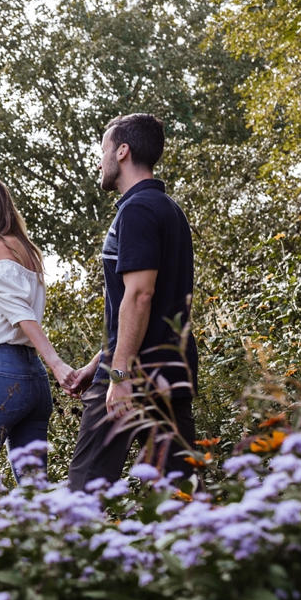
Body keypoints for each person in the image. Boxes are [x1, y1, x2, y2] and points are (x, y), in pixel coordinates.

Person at [62, 113, 198, 490]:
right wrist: (98, 362)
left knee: (82, 494)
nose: (100, 159)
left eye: (104, 149)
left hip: (133, 375)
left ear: (122, 151)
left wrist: (118, 375)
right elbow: (148, 301)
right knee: (179, 497)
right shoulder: (169, 209)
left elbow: (140, 296)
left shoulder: (136, 211)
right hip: (170, 372)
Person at [0, 175, 76, 479]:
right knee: (34, 489)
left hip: (1, 374)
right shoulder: (26, 250)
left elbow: (22, 314)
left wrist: (57, 364)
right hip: (34, 381)